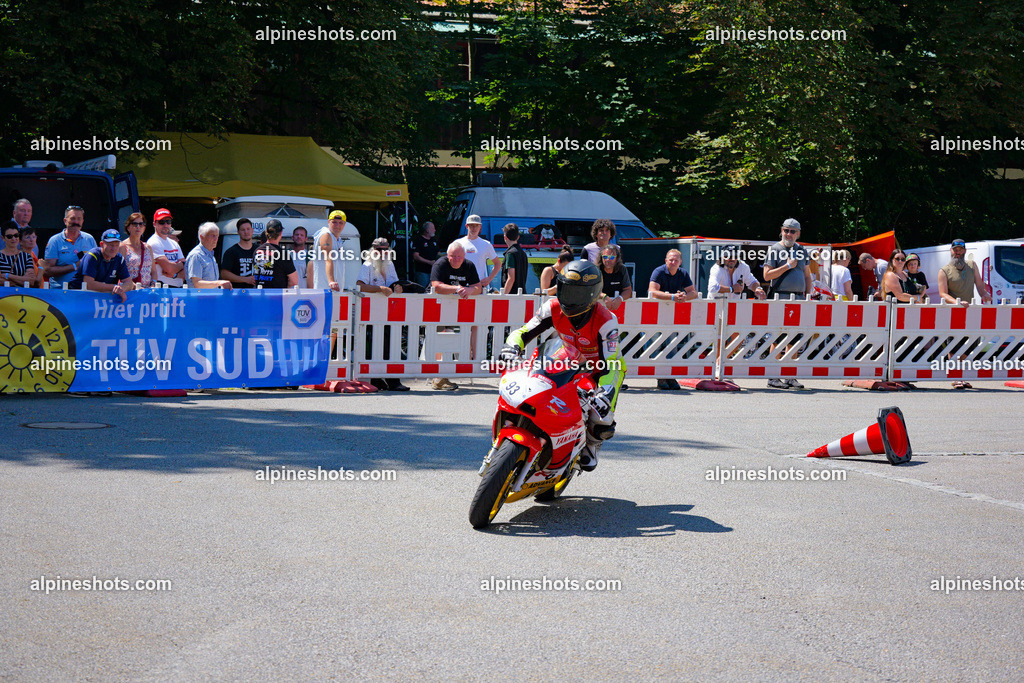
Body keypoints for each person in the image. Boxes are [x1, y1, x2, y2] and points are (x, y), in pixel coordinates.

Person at [498, 260, 624, 472]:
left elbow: (611, 365)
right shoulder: (552, 307)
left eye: (576, 294)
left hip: (599, 368)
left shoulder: (606, 320)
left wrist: (605, 392)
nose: (568, 298)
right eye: (565, 290)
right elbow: (524, 331)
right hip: (566, 355)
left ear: (592, 295)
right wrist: (513, 346)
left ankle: (592, 446)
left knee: (601, 416)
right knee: (537, 387)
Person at [763, 218, 812, 389]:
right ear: (781, 231)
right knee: (778, 336)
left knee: (795, 336)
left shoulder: (801, 251)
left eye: (792, 231)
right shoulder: (775, 249)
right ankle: (773, 376)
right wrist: (787, 266)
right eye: (786, 230)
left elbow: (807, 274)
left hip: (798, 298)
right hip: (780, 297)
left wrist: (809, 294)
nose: (789, 234)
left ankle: (790, 376)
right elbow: (767, 276)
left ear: (798, 233)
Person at [357, 237, 409, 392]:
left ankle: (393, 380)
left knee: (392, 343)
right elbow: (360, 286)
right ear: (373, 250)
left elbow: (394, 284)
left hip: (391, 311)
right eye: (379, 250)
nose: (383, 253)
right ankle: (377, 379)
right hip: (373, 311)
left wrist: (399, 288)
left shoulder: (390, 264)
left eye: (386, 250)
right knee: (377, 344)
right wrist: (379, 288)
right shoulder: (367, 265)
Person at [429, 243, 482, 390]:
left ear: (464, 256)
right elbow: (436, 286)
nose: (456, 259)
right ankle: (438, 376)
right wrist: (457, 288)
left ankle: (452, 371)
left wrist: (470, 290)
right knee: (441, 336)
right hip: (437, 307)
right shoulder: (440, 264)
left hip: (458, 310)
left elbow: (478, 288)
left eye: (459, 256)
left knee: (458, 335)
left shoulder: (469, 265)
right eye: (453, 256)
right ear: (448, 255)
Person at [649, 249, 698, 390]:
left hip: (672, 317)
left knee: (672, 346)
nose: (673, 262)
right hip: (655, 316)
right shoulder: (658, 272)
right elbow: (652, 292)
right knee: (657, 346)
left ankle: (670, 376)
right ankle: (661, 377)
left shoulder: (683, 273)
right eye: (670, 260)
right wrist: (672, 297)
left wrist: (683, 297)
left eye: (676, 260)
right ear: (666, 261)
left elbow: (693, 292)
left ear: (680, 262)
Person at [69, 229, 134, 302]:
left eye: (117, 245)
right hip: (78, 297)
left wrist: (121, 290)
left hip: (99, 300)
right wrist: (113, 287)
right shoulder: (92, 256)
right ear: (102, 244)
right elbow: (89, 284)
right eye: (111, 245)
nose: (114, 248)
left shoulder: (119, 258)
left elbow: (129, 283)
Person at [42, 205, 97, 289]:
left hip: (84, 291)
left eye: (79, 219)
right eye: (72, 218)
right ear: (65, 221)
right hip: (61, 292)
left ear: (83, 221)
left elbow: (97, 265)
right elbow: (47, 271)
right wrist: (75, 266)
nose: (76, 222)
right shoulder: (54, 241)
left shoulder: (89, 239)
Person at [938, 239, 990, 308]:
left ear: (965, 251)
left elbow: (980, 285)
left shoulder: (972, 265)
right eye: (955, 250)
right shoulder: (943, 271)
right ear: (951, 250)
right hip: (951, 310)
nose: (958, 252)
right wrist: (957, 302)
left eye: (960, 250)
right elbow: (943, 294)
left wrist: (984, 294)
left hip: (969, 309)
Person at [455, 214, 501, 290]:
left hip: (478, 287)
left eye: (477, 225)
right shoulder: (458, 243)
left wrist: (489, 279)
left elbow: (498, 263)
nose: (474, 228)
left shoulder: (486, 244)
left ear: (480, 227)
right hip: (460, 286)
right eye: (471, 225)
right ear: (466, 226)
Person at [309, 210, 348, 291]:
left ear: (344, 224)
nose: (337, 225)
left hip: (335, 290)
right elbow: (328, 259)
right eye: (334, 222)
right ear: (328, 222)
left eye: (341, 222)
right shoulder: (326, 235)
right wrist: (331, 281)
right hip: (325, 289)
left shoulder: (338, 240)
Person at [185, 222, 233, 289]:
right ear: (202, 237)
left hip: (211, 298)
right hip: (199, 298)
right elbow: (197, 283)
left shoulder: (211, 256)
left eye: (217, 236)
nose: (216, 239)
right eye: (213, 235)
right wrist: (219, 283)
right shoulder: (196, 255)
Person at [253, 219, 298, 289]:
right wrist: (287, 287)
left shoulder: (257, 251)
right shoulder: (283, 254)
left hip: (260, 295)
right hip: (277, 296)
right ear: (281, 233)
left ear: (266, 232)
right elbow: (294, 281)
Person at [146, 208, 185, 288]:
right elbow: (169, 269)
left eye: (168, 222)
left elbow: (186, 268)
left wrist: (175, 274)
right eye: (161, 222)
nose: (166, 225)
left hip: (178, 288)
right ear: (154, 224)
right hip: (162, 288)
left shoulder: (174, 243)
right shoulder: (153, 242)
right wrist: (180, 265)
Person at [118, 213, 154, 288]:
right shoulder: (122, 247)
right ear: (128, 228)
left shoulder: (148, 247)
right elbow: (118, 273)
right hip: (130, 291)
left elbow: (154, 271)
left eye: (141, 224)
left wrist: (153, 284)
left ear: (144, 228)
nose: (138, 227)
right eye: (134, 224)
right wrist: (136, 287)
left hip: (147, 292)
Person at [220, 217, 258, 288]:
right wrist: (246, 279)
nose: (246, 232)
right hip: (237, 294)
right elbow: (224, 274)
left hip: (257, 293)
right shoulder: (231, 252)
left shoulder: (259, 250)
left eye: (248, 229)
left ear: (252, 230)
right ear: (238, 232)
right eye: (243, 230)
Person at [599, 244, 633, 311]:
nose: (608, 259)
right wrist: (604, 296)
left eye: (611, 257)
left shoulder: (622, 269)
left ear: (617, 258)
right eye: (605, 257)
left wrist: (620, 298)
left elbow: (628, 290)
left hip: (618, 309)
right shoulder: (596, 270)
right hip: (599, 308)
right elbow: (592, 291)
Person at [500, 223, 529, 295]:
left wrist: (503, 296)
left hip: (512, 297)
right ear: (518, 237)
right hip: (522, 295)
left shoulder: (510, 254)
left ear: (505, 237)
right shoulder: (523, 253)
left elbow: (511, 278)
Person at [410, 221, 439, 289]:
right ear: (427, 230)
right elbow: (415, 256)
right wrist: (430, 262)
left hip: (434, 271)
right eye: (433, 228)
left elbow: (438, 253)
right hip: (422, 271)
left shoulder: (434, 240)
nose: (435, 230)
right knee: (423, 290)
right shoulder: (419, 240)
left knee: (434, 290)